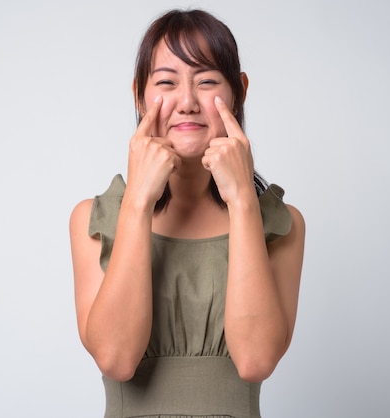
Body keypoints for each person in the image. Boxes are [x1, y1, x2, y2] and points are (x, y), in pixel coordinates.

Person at [69, 8, 305, 418]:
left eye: (207, 81)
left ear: (240, 91)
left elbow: (255, 361)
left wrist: (244, 203)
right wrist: (139, 201)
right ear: (139, 95)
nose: (188, 102)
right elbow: (116, 359)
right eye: (166, 83)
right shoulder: (94, 218)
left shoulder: (281, 224)